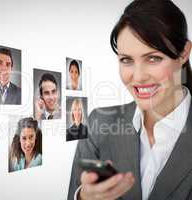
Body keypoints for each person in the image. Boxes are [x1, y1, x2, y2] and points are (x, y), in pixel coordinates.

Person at [68, 0, 192, 199]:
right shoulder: (98, 123)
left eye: (153, 58)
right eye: (127, 60)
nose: (139, 76)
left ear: (184, 53)